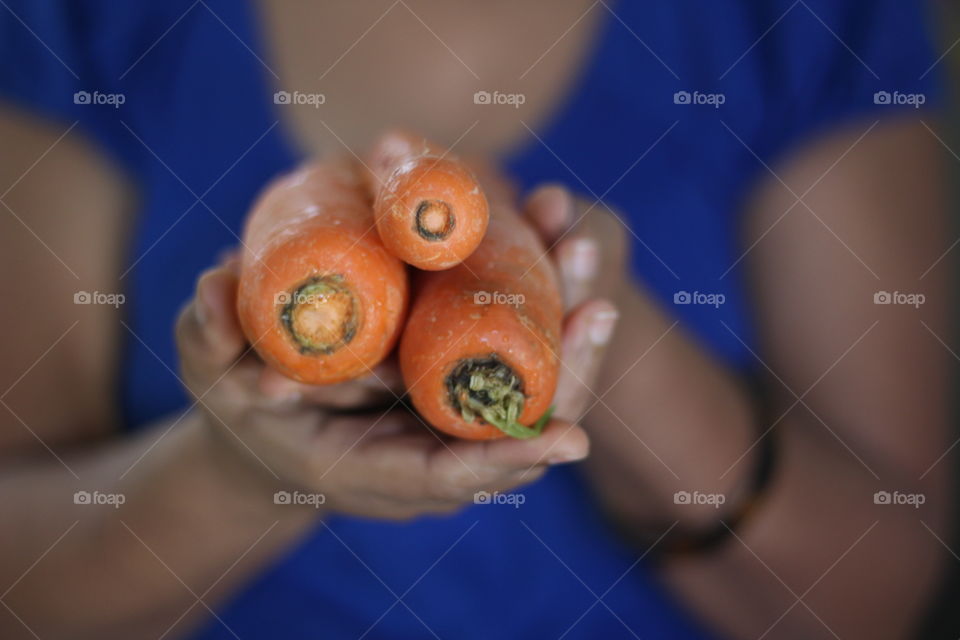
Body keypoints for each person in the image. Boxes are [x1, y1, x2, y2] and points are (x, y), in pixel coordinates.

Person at [0, 1, 951, 638]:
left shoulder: (802, 21)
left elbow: (877, 593)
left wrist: (608, 347)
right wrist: (240, 478)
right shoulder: (82, 19)